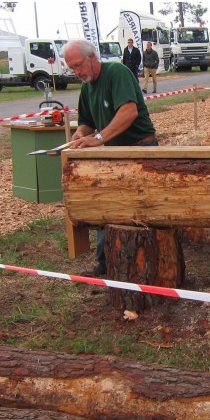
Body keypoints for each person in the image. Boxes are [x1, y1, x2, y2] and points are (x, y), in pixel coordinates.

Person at [63, 39, 158, 277]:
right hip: (112, 154)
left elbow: (129, 111)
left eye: (78, 65)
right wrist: (81, 133)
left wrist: (99, 138)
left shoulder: (117, 72)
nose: (77, 72)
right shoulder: (86, 86)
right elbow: (87, 122)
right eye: (72, 68)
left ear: (92, 57)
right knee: (105, 207)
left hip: (140, 149)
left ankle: (149, 266)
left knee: (145, 210)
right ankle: (106, 265)